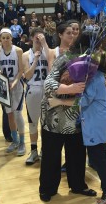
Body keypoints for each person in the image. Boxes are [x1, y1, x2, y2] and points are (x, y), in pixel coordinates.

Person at [39, 23, 96, 202]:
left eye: (75, 33)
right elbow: (48, 85)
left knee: (77, 154)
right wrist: (69, 87)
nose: (73, 35)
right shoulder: (64, 59)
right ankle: (47, 188)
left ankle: (78, 185)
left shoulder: (92, 62)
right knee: (51, 155)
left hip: (75, 116)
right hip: (54, 116)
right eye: (70, 33)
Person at [78, 52, 106, 204]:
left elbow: (84, 101)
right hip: (100, 119)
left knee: (97, 157)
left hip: (96, 120)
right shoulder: (99, 75)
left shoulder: (94, 78)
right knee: (102, 152)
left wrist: (71, 94)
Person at [0, 28, 26, 156]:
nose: (6, 40)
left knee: (17, 114)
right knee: (9, 115)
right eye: (3, 38)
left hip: (16, 85)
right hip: (3, 86)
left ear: (12, 38)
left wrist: (15, 82)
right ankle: (15, 140)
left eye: (8, 37)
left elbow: (21, 70)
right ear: (0, 39)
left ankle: (22, 142)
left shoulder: (18, 50)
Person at [22, 27, 49, 165]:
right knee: (33, 123)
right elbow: (27, 75)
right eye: (37, 38)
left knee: (46, 123)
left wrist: (44, 46)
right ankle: (33, 151)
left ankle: (44, 150)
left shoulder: (48, 53)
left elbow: (53, 69)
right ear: (32, 38)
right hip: (33, 89)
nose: (39, 40)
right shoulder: (26, 55)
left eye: (42, 37)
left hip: (47, 90)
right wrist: (36, 60)